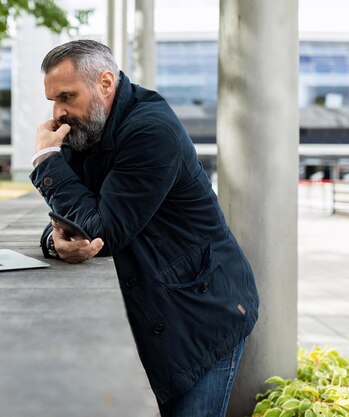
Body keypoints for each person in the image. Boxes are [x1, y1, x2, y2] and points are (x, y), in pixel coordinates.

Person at [29, 39, 260, 416]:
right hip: (160, 302)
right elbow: (70, 216)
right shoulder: (85, 128)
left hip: (201, 312)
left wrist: (44, 160)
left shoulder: (151, 131)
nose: (58, 113)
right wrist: (57, 244)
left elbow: (104, 228)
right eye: (53, 100)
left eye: (67, 97)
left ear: (105, 83)